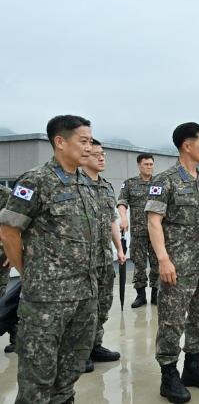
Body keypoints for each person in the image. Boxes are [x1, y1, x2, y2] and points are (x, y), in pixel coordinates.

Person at [0, 115, 99, 404]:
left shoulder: (86, 182)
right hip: (46, 300)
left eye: (91, 141)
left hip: (84, 295)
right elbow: (8, 232)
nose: (89, 147)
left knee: (71, 368)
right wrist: (29, 273)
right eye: (83, 141)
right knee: (37, 378)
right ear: (59, 141)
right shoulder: (35, 181)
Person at [145, 122, 199, 403]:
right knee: (172, 321)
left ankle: (193, 367)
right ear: (186, 145)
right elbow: (153, 222)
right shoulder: (164, 181)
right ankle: (169, 376)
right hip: (177, 267)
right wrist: (163, 259)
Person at [81, 139, 127, 372]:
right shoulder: (76, 185)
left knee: (102, 304)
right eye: (96, 154)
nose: (101, 158)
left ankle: (94, 345)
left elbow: (112, 220)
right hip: (81, 261)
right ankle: (79, 352)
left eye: (104, 154)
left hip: (103, 256)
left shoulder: (106, 187)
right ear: (84, 156)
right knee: (84, 309)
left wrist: (118, 249)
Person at [117, 153, 159, 308]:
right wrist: (123, 217)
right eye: (146, 164)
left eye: (151, 164)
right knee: (139, 264)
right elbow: (122, 202)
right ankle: (140, 296)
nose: (149, 167)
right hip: (138, 231)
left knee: (157, 264)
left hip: (158, 232)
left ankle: (156, 294)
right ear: (139, 165)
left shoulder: (160, 183)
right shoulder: (130, 184)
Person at [0, 184, 17, 354]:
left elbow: (14, 224)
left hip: (1, 253)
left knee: (1, 298)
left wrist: (11, 251)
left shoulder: (5, 194)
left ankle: (16, 334)